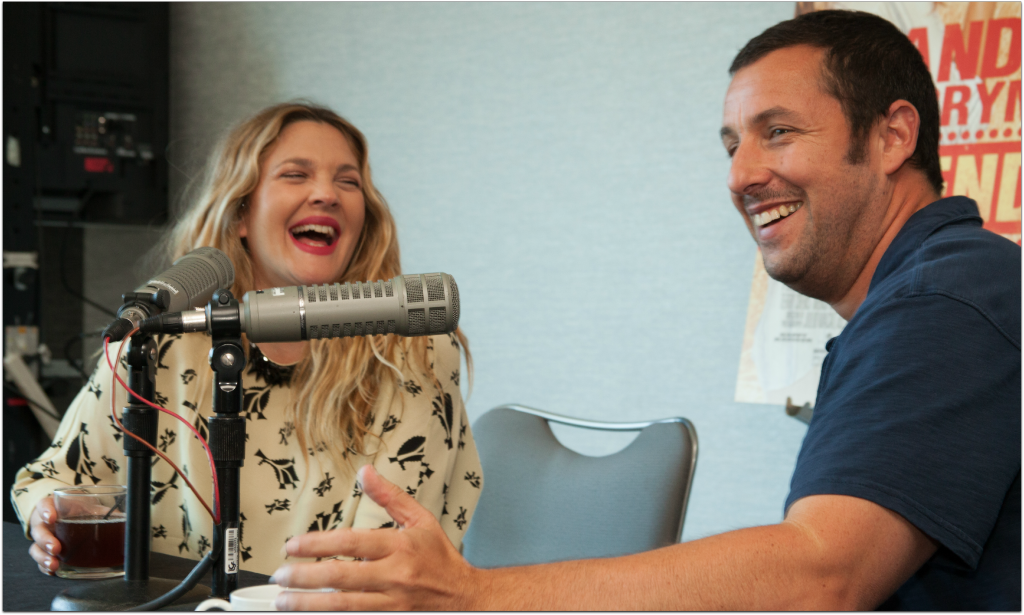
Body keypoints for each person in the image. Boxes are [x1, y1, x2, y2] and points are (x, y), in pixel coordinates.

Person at [268, 11, 1020, 610]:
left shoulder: (943, 301)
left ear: (892, 136)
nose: (741, 175)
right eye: (731, 144)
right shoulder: (932, 293)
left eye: (778, 132)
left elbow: (821, 574)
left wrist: (476, 593)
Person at [13, 102, 483, 577]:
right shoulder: (161, 339)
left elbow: (381, 567)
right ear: (241, 214)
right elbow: (54, 478)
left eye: (348, 181)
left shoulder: (411, 350)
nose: (327, 194)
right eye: (296, 174)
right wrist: (47, 518)